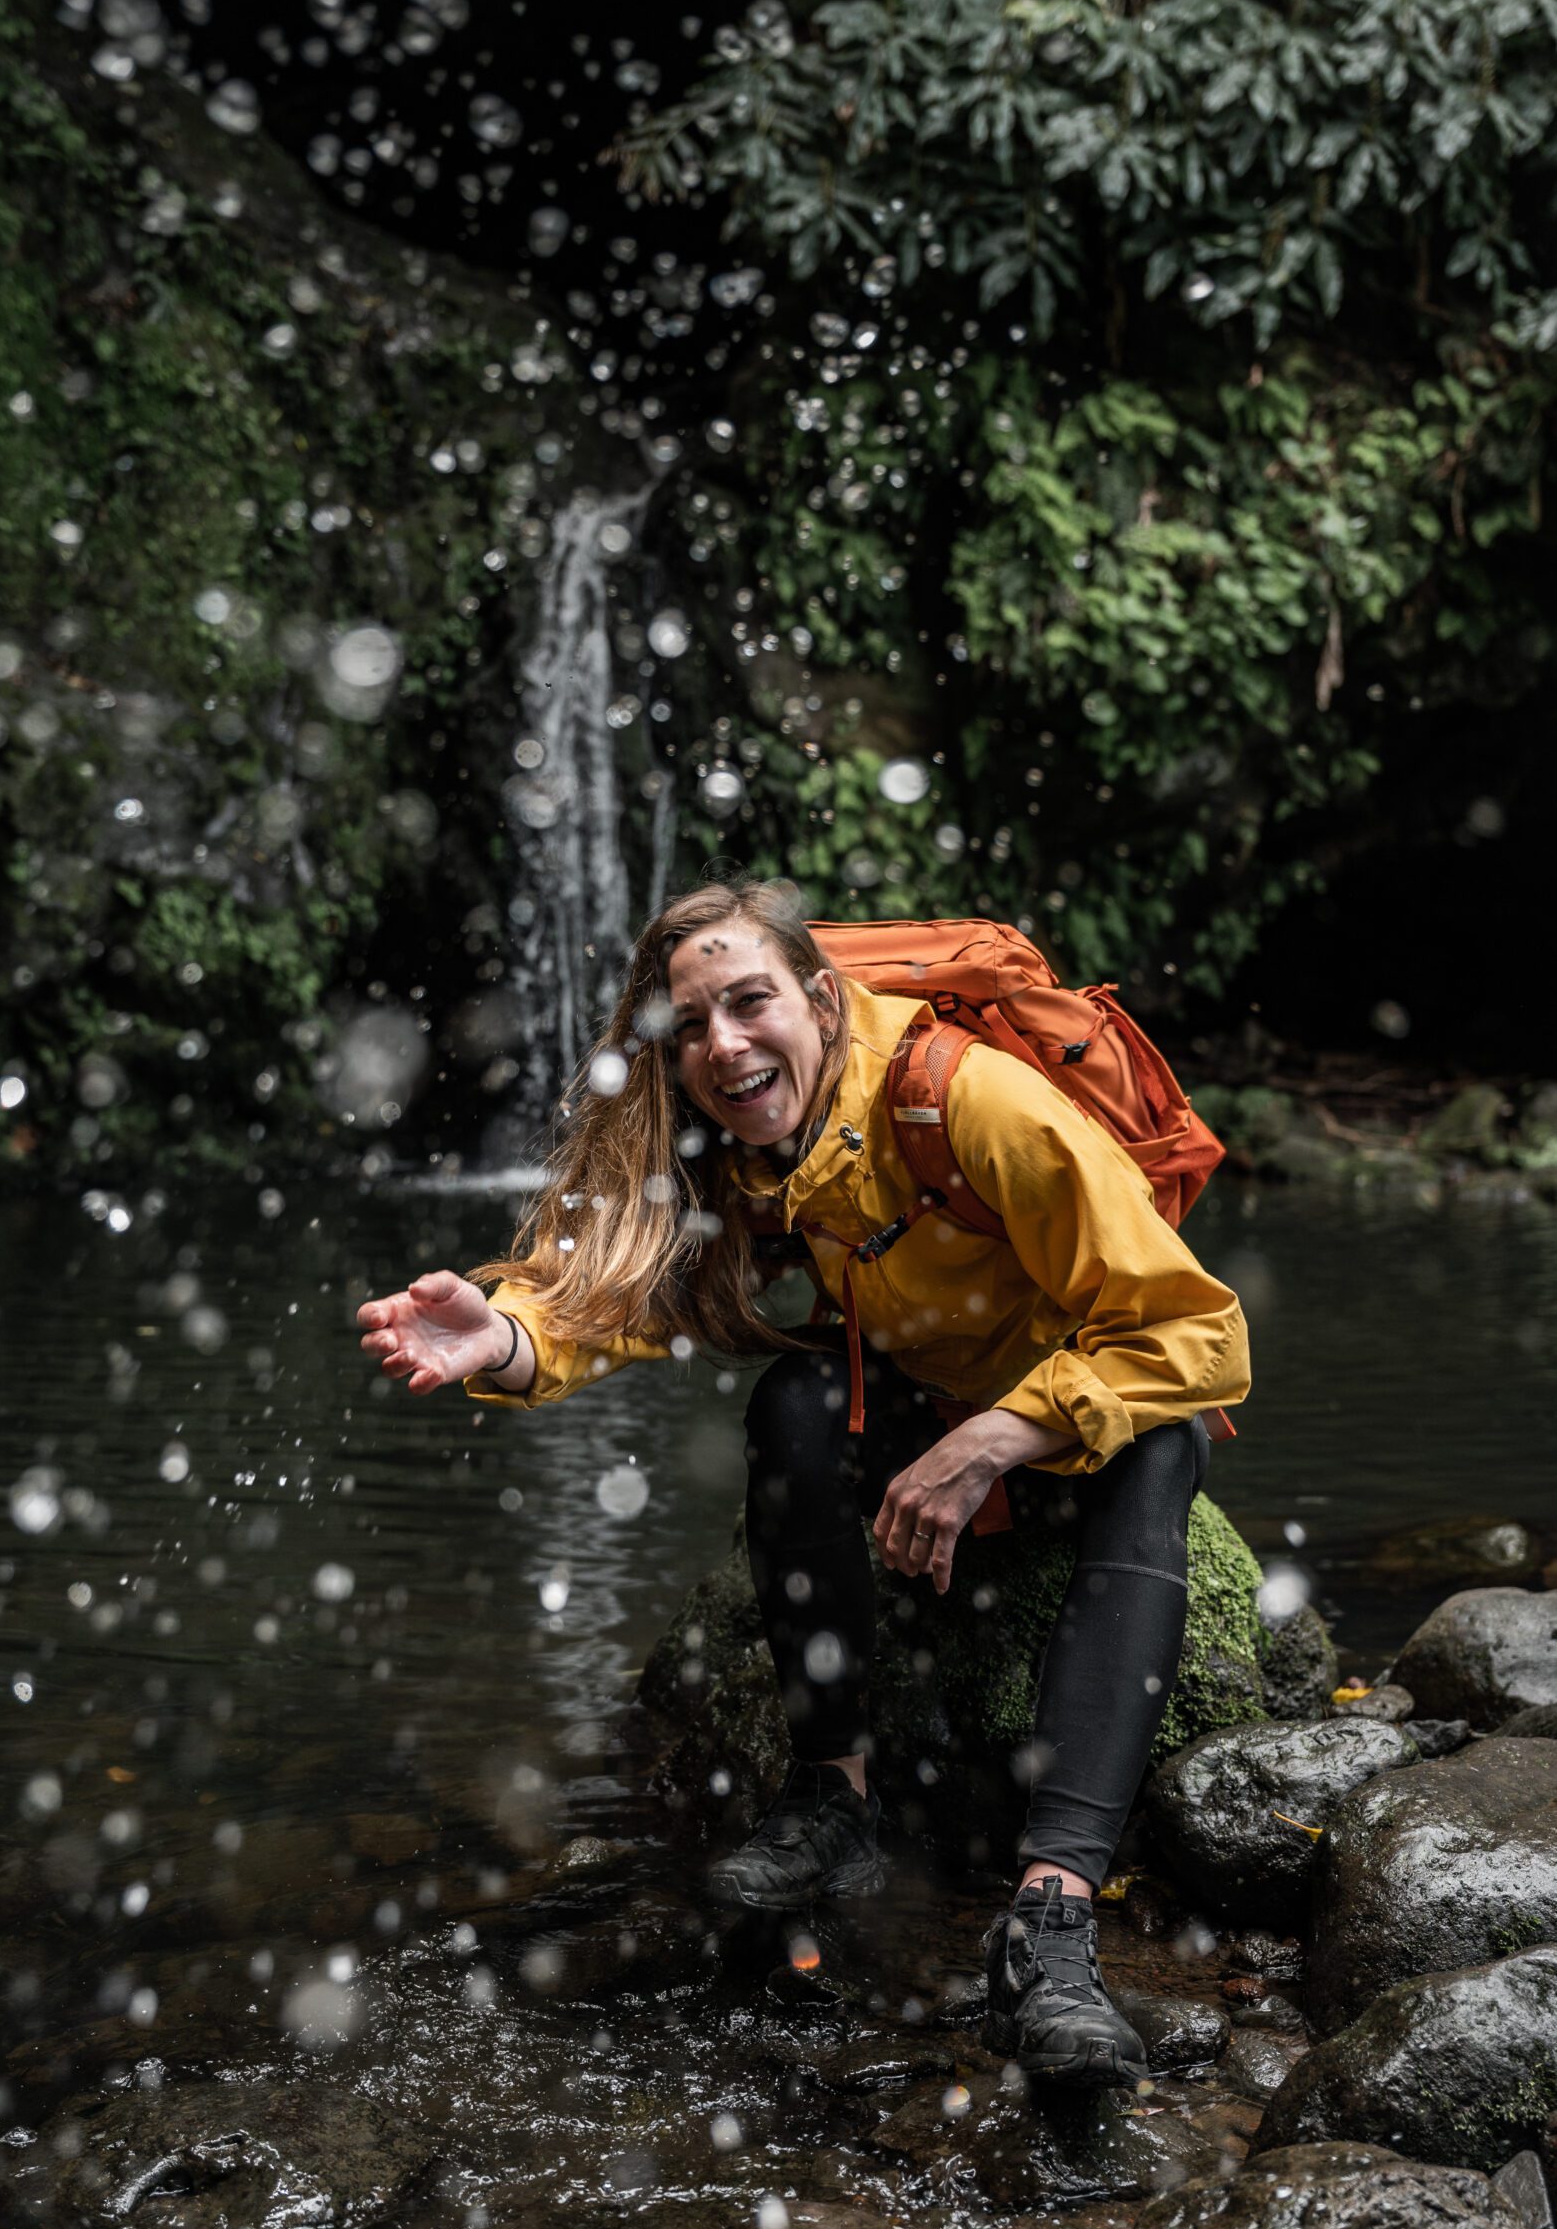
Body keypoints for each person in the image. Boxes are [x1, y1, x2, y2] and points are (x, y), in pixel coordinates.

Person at [356, 875, 1250, 2087]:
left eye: (749, 1002)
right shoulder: (745, 1139)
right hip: (929, 1414)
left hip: (1072, 1422)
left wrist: (999, 1433)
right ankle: (834, 1795)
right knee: (791, 1403)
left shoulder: (968, 1100)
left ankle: (1051, 1916)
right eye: (692, 1025)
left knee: (1162, 1445)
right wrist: (498, 1342)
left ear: (822, 1002)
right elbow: (616, 1297)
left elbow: (1199, 1336)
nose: (723, 1045)